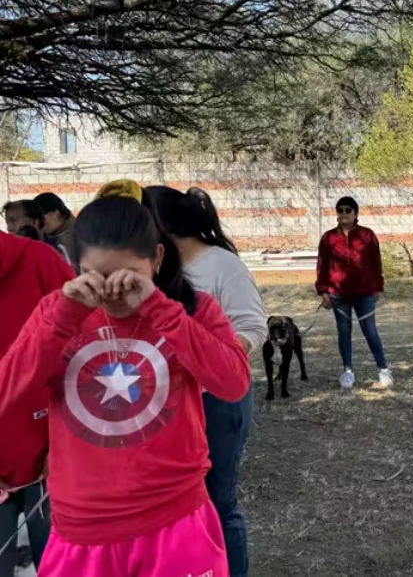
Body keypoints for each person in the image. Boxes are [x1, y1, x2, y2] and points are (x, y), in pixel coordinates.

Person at [0, 181, 250, 576]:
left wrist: (159, 309)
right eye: (97, 276)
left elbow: (233, 383)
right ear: (76, 266)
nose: (114, 292)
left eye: (130, 276)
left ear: (158, 259)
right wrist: (64, 318)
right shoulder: (56, 311)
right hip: (84, 524)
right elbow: (7, 392)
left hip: (175, 515)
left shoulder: (191, 308)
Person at [146, 184, 267, 577]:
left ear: (162, 225)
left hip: (218, 401)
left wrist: (214, 361)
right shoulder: (159, 269)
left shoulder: (220, 265)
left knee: (218, 503)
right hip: (172, 405)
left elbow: (252, 327)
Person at [0, 230, 74, 577]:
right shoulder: (42, 260)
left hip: (52, 458)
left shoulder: (41, 262)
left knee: (61, 564)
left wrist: (67, 439)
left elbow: (89, 355)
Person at [316, 196, 392, 390]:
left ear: (355, 213)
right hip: (338, 294)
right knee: (343, 332)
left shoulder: (367, 235)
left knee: (370, 331)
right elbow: (322, 266)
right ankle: (347, 371)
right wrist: (323, 291)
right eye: (340, 210)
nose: (343, 214)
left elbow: (376, 263)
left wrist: (378, 287)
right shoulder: (328, 238)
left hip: (364, 292)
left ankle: (383, 369)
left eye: (347, 210)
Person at [3, 199, 72, 264]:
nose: (9, 228)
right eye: (7, 223)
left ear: (34, 222)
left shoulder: (58, 249)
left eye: (13, 221)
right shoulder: (8, 254)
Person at [32, 192, 76, 264]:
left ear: (55, 213)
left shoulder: (75, 236)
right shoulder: (50, 234)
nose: (38, 223)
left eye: (41, 218)